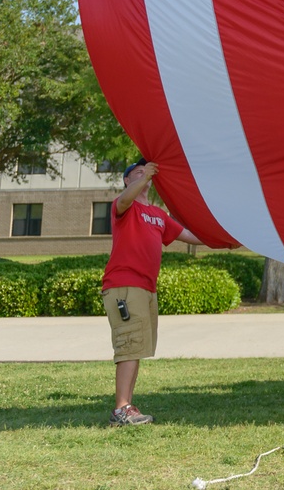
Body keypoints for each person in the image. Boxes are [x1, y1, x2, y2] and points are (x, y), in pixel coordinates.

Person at [101, 158, 205, 426]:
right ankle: (121, 409)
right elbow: (125, 200)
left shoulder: (158, 215)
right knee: (128, 346)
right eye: (137, 172)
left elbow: (191, 235)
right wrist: (143, 177)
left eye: (147, 172)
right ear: (127, 180)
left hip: (147, 288)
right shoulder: (123, 205)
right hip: (124, 286)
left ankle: (127, 406)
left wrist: (226, 241)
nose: (144, 175)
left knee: (137, 347)